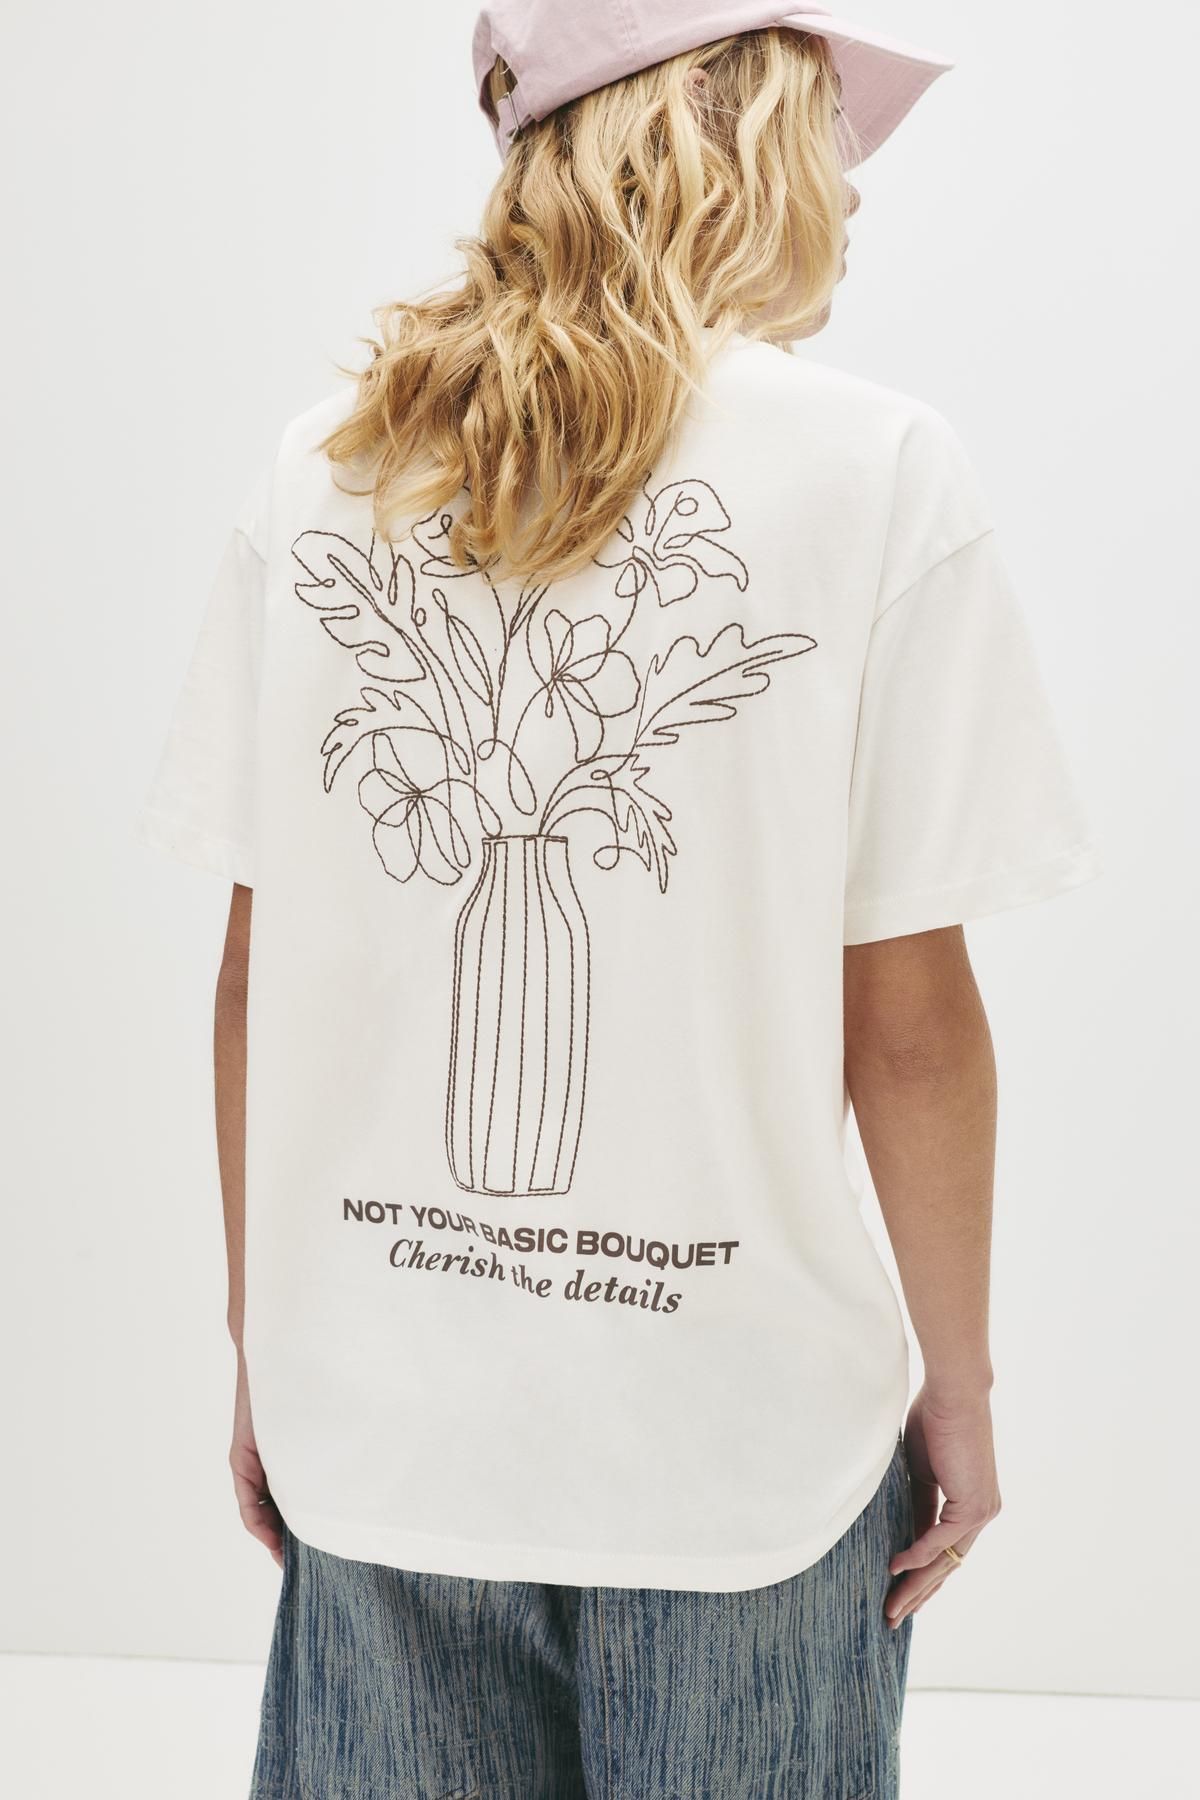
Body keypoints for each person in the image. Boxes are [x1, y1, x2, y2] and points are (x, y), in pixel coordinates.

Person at [136, 4, 1101, 1795]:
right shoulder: (878, 472)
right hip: (740, 1452)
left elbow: (259, 977)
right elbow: (907, 1023)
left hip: (390, 1432)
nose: (853, 185)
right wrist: (960, 1391)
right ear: (717, 119)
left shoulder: (329, 465)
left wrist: (269, 1345)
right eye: (827, 120)